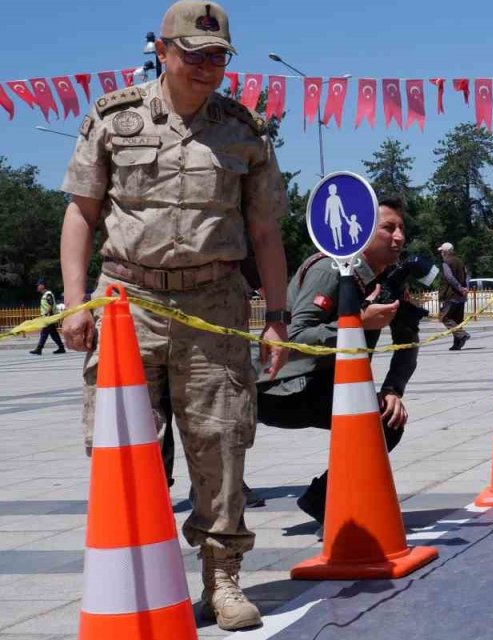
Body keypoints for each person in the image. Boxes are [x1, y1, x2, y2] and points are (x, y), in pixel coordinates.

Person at [57, 1, 289, 630]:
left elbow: (265, 232)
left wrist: (277, 316)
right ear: (160, 50)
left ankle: (223, 580)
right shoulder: (113, 117)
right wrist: (77, 303)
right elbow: (81, 213)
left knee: (222, 444)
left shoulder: (243, 130)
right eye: (194, 54)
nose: (208, 67)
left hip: (214, 304)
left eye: (218, 56)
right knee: (125, 449)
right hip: (127, 303)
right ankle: (138, 574)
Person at [257, 198, 416, 526]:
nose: (399, 237)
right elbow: (294, 338)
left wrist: (392, 390)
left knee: (387, 419)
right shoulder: (329, 268)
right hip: (282, 389)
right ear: (361, 231)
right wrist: (358, 322)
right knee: (376, 423)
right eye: (388, 228)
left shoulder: (389, 281)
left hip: (324, 386)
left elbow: (408, 340)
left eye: (402, 229)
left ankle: (324, 501)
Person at [438, 242, 470, 350]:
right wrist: (465, 288)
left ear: (446, 252)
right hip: (461, 296)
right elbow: (467, 275)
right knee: (457, 321)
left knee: (444, 317)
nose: (441, 253)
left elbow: (449, 277)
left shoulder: (446, 262)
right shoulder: (461, 261)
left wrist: (460, 288)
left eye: (442, 251)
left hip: (451, 295)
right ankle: (457, 344)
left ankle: (462, 335)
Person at [30, 281, 66, 355]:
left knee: (44, 333)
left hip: (49, 317)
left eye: (38, 285)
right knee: (53, 334)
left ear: (43, 286)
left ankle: (39, 349)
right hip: (48, 317)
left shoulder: (48, 294)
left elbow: (51, 305)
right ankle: (61, 348)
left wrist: (48, 315)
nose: (37, 287)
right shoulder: (45, 295)